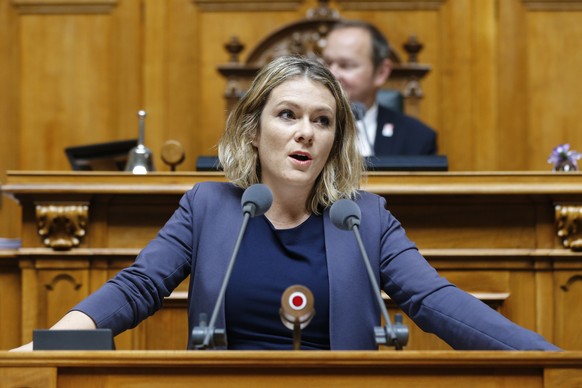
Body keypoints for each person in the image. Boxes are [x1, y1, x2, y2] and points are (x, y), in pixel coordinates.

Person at [12, 55, 557, 351]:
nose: (306, 134)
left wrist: (549, 363)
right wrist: (51, 344)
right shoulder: (208, 206)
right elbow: (138, 286)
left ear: (336, 139)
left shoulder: (365, 219)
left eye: (323, 121)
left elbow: (436, 302)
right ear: (253, 130)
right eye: (288, 115)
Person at [322, 19, 437, 156]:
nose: (332, 74)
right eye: (327, 63)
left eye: (346, 65)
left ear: (381, 72)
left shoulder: (416, 138)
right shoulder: (301, 128)